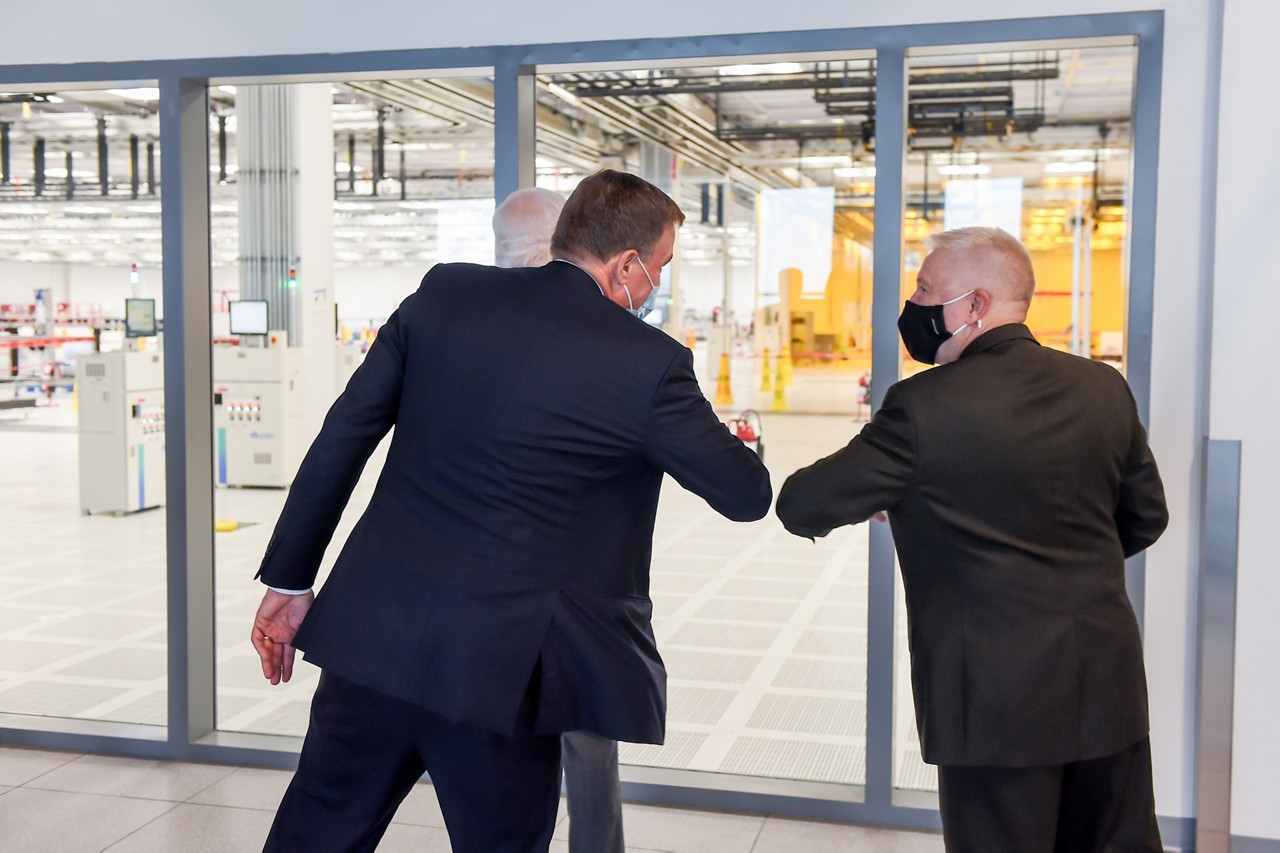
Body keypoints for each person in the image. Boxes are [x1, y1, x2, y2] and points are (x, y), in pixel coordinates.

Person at [251, 169, 771, 853]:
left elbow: (342, 436)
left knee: (316, 830)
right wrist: (731, 438)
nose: (657, 285)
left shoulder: (444, 295)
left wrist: (290, 581)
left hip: (374, 641)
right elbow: (744, 495)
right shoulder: (647, 363)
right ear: (627, 265)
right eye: (661, 267)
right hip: (503, 676)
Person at [775, 226, 1168, 852]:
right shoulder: (1103, 387)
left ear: (975, 305)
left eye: (926, 289)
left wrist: (904, 494)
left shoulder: (922, 407)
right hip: (1106, 685)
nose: (914, 304)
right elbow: (1145, 517)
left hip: (994, 703)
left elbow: (803, 503)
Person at [492, 184, 625, 853]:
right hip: (563, 589)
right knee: (582, 743)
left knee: (535, 747)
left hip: (510, 588)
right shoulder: (603, 336)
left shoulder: (469, 329)